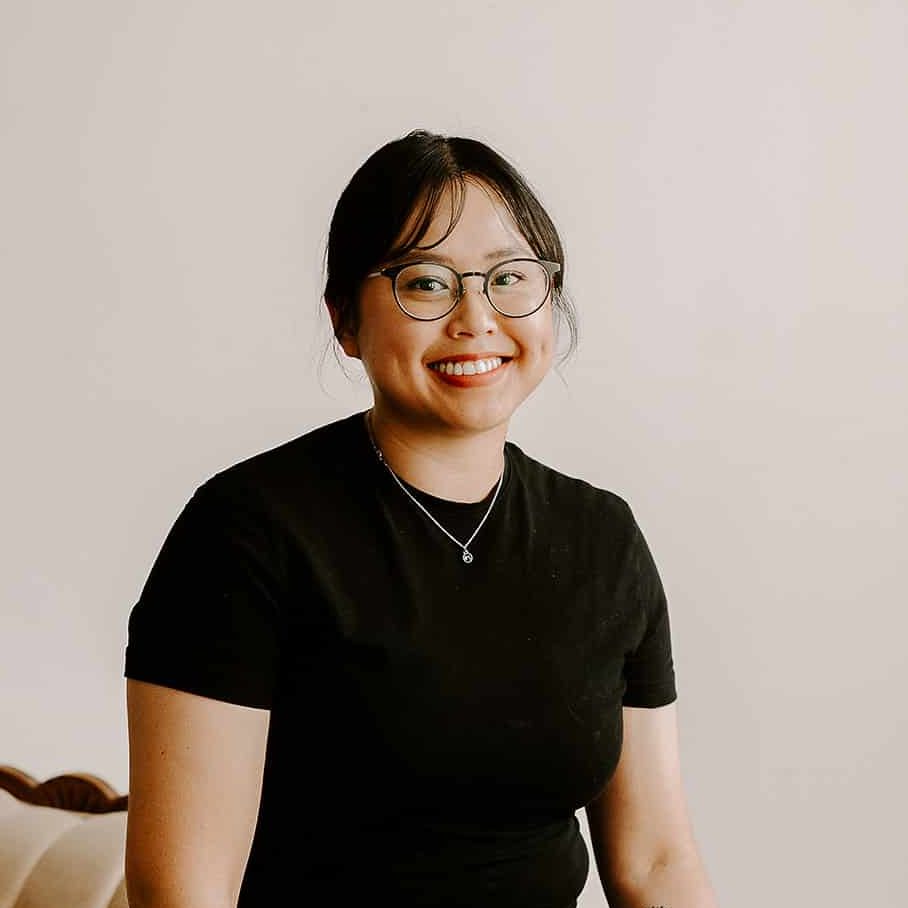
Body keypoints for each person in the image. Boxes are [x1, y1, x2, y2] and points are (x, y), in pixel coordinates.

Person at [123, 129, 719, 908]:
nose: (476, 318)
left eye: (510, 277)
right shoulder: (247, 533)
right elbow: (183, 891)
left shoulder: (603, 539)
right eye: (427, 282)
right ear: (345, 320)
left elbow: (657, 862)